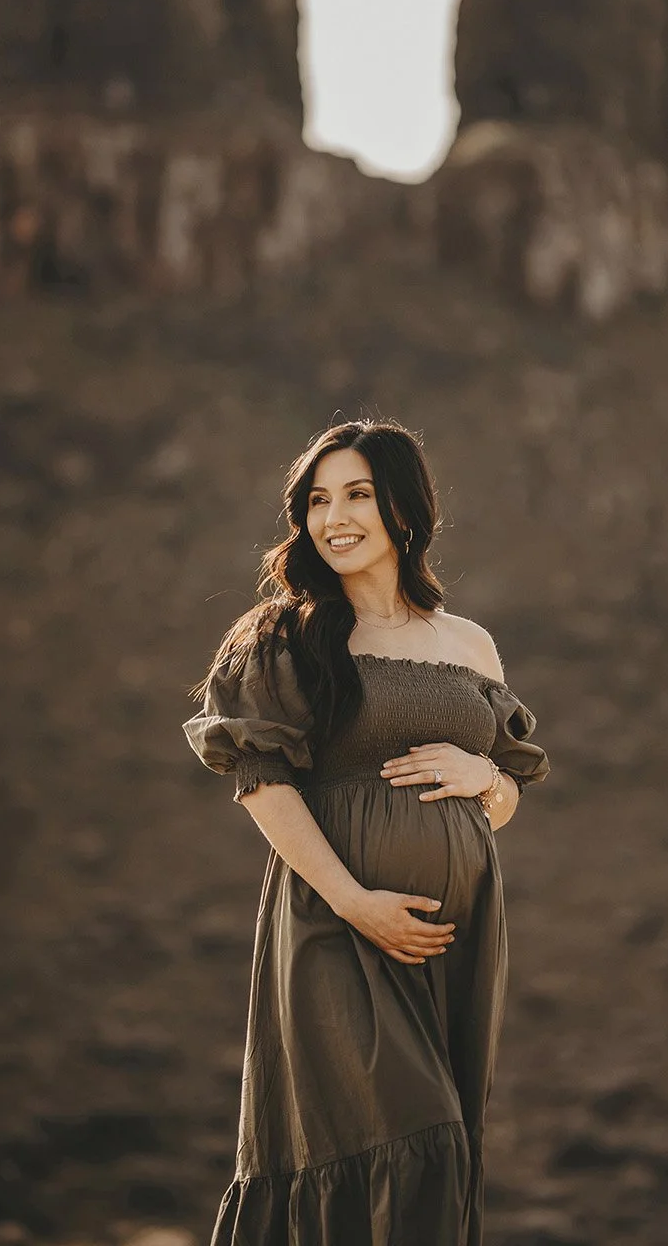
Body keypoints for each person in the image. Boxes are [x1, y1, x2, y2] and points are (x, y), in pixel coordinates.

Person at [183, 419, 549, 1245]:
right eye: (317, 500)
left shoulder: (470, 645)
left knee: (446, 1148)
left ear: (405, 512)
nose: (333, 517)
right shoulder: (286, 636)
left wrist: (485, 777)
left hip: (456, 941)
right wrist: (355, 902)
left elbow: (504, 797)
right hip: (334, 923)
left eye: (356, 494)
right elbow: (261, 782)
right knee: (408, 1139)